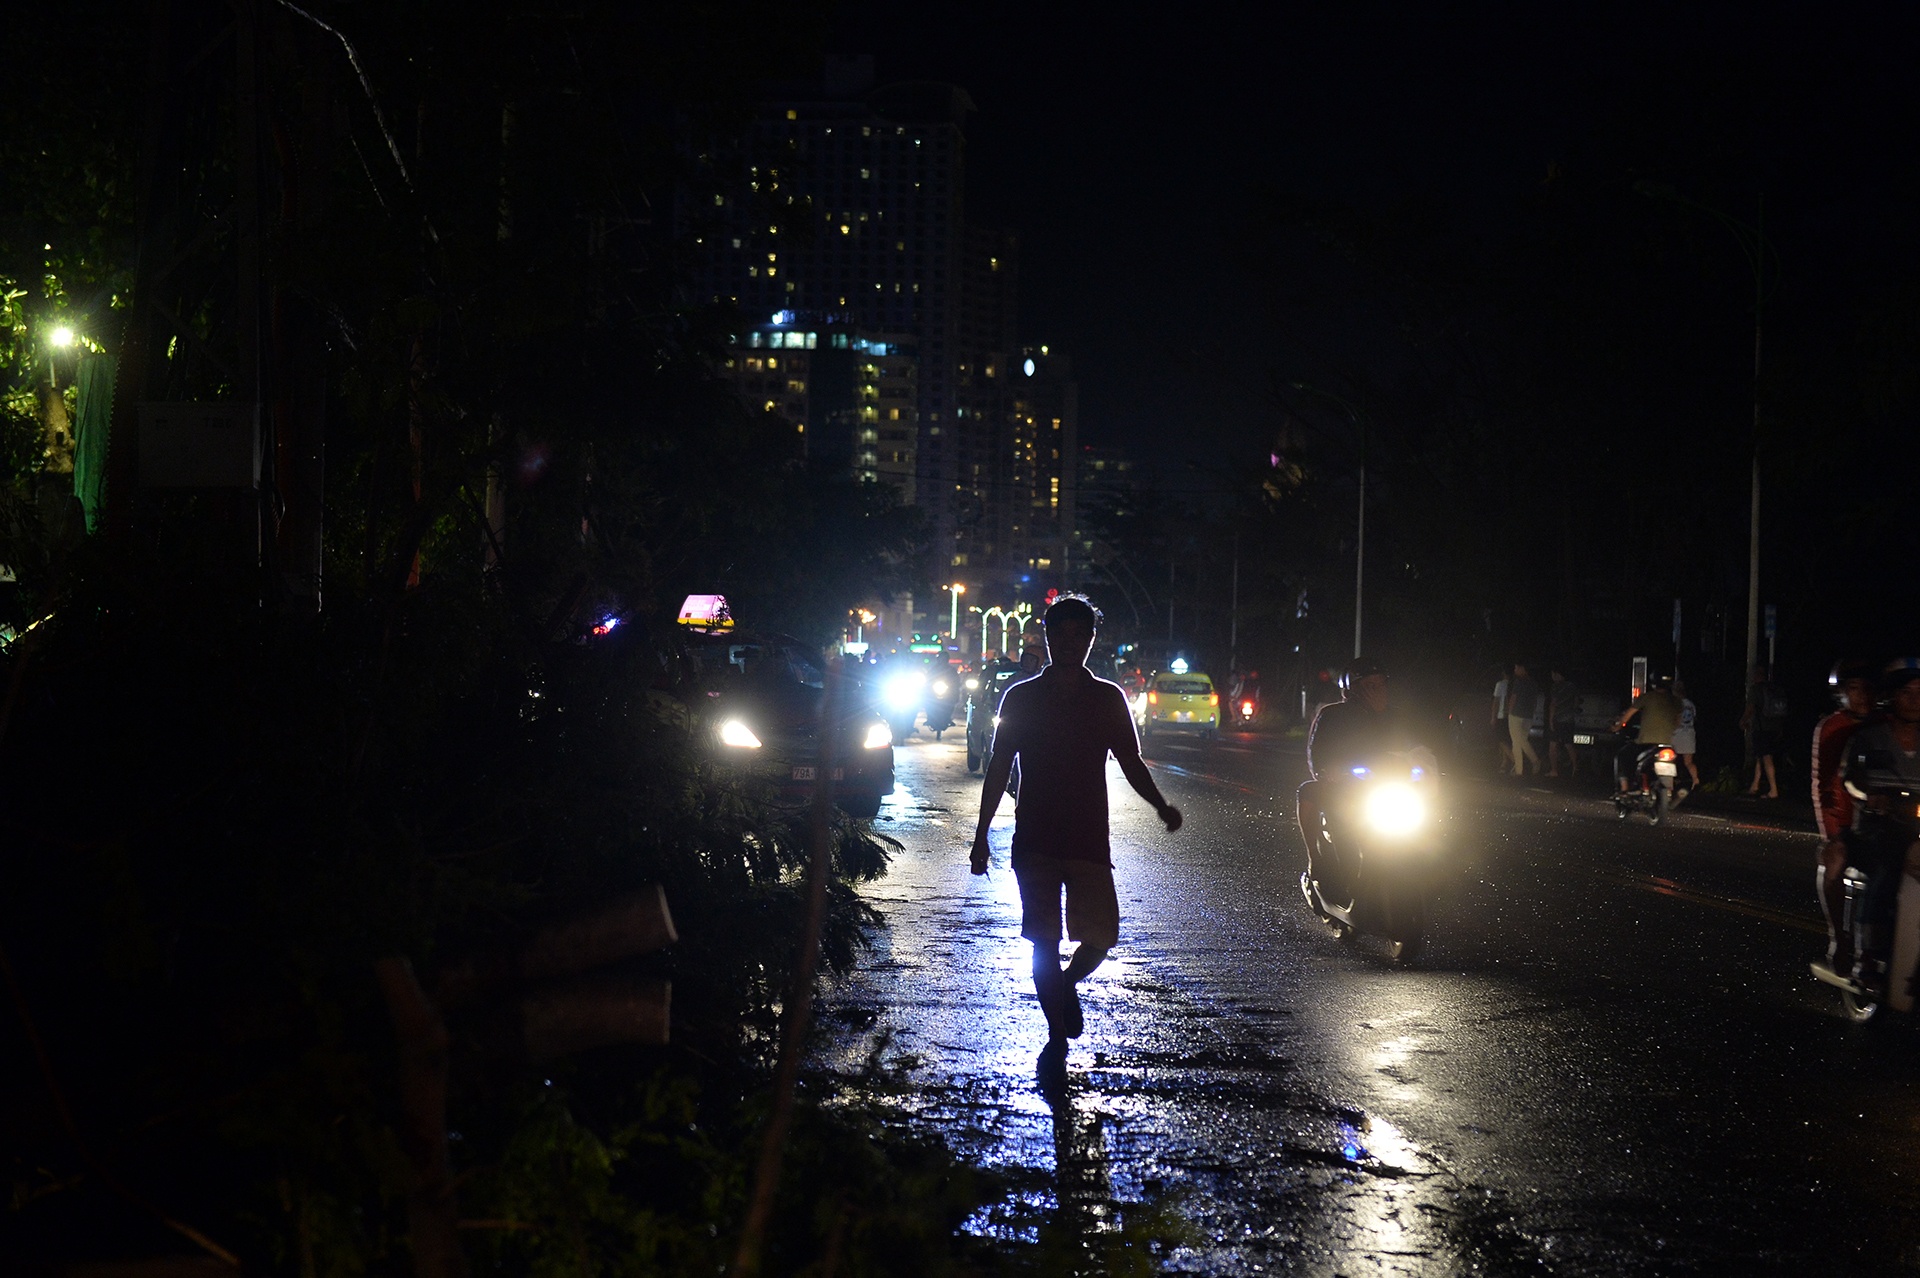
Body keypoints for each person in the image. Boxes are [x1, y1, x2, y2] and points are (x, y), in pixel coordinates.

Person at [969, 596, 1181, 1083]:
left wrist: (1160, 805)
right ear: (1044, 639)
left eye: (1077, 637)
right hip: (1035, 839)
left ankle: (1065, 988)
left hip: (1088, 838)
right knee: (1042, 942)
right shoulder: (1020, 697)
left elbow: (1131, 762)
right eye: (1057, 636)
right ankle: (1057, 1033)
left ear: (1090, 640)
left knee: (1101, 937)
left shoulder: (1107, 698)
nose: (1067, 646)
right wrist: (981, 836)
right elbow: (999, 768)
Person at [1296, 658, 1414, 902]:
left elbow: (1419, 749)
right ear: (1352, 690)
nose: (1378, 691)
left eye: (1381, 685)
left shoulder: (1396, 717)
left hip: (1388, 790)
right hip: (1345, 791)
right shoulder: (1331, 715)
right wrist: (1330, 771)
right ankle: (1316, 861)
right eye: (1370, 686)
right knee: (1308, 792)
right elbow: (1317, 757)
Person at [1836, 659, 1920, 992]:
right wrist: (1870, 796)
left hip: (1916, 831)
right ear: (1892, 698)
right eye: (1907, 692)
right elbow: (1849, 781)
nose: (1915, 699)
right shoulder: (1869, 739)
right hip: (1878, 829)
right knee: (1886, 872)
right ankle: (1866, 955)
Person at [1811, 660, 1876, 976]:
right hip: (1847, 824)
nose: (1863, 696)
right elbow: (1820, 782)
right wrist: (1832, 833)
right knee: (1834, 860)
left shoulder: (1890, 723)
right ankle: (1839, 937)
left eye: (1868, 688)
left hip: (1885, 823)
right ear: (1841, 694)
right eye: (1854, 689)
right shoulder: (1830, 728)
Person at [1614, 676, 1682, 794]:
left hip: (1645, 743)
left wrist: (1617, 726)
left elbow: (1627, 715)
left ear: (1654, 684)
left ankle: (1624, 790)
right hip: (1667, 744)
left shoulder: (1646, 697)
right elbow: (1678, 722)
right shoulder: (1676, 701)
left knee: (1622, 755)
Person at [1742, 670, 1788, 798]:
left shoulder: (1755, 690)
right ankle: (1755, 785)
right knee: (1760, 756)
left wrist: (1743, 721)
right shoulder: (1773, 689)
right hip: (1775, 728)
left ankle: (1773, 790)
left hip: (1761, 728)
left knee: (1766, 757)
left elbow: (1750, 708)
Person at [1507, 662, 1543, 777]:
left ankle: (1519, 770)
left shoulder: (1519, 682)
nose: (1515, 670)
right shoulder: (1534, 683)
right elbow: (1534, 700)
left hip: (1516, 714)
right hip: (1528, 716)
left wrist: (1509, 710)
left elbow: (1513, 697)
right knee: (1522, 740)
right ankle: (1535, 761)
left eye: (1516, 668)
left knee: (1516, 743)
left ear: (1522, 668)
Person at [1546, 667, 1580, 778]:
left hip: (1558, 719)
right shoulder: (1572, 686)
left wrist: (1551, 720)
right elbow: (1576, 702)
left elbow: (1553, 704)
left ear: (1556, 674)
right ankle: (1575, 767)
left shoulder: (1555, 687)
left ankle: (1554, 770)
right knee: (1569, 744)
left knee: (1553, 746)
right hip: (1569, 720)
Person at [1671, 678, 1702, 794]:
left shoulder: (1675, 704)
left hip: (1677, 734)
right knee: (1688, 762)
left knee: (1670, 760)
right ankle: (1696, 780)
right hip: (1689, 733)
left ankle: (1670, 784)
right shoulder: (1690, 704)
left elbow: (1676, 720)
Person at [1490, 665, 1513, 773]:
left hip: (1501, 715)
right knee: (1506, 740)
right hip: (1511, 716)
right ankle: (1504, 763)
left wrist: (1493, 716)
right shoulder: (1513, 684)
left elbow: (1496, 701)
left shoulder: (1500, 685)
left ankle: (1514, 760)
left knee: (1500, 739)